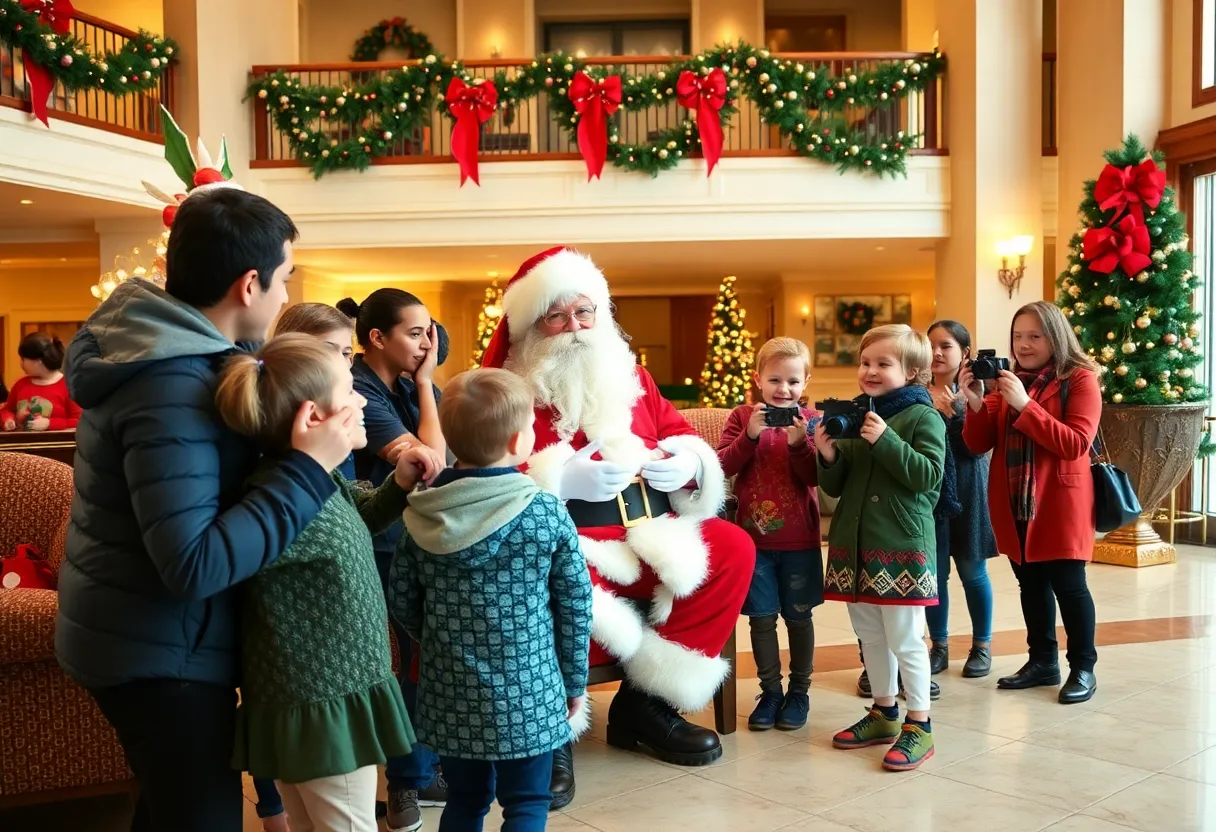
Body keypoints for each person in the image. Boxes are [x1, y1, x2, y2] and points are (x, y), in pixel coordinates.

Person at [55, 189, 356, 832]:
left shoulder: (171, 359)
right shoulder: (174, 385)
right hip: (159, 656)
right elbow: (193, 563)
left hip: (142, 636)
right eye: (285, 279)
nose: (284, 298)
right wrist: (309, 468)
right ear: (250, 284)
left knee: (170, 808)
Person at [479, 247, 755, 806]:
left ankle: (645, 704)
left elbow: (679, 430)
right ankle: (552, 729)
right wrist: (556, 479)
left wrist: (687, 459)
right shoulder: (504, 390)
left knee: (732, 547)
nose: (574, 328)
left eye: (585, 312)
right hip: (565, 546)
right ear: (531, 326)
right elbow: (482, 473)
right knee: (539, 579)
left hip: (649, 535)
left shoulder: (633, 376)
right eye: (557, 316)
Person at [215, 334, 443, 832]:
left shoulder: (308, 478)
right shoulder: (283, 494)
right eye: (349, 391)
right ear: (312, 418)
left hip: (325, 695)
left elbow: (356, 517)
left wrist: (398, 484)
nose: (363, 399)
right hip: (321, 703)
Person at [390, 368, 593, 832]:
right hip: (532, 692)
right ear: (521, 439)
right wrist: (574, 681)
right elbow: (576, 605)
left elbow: (401, 598)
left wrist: (440, 639)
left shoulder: (420, 516)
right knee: (526, 803)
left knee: (464, 801)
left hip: (450, 694)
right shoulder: (545, 513)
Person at [340, 289, 449, 831]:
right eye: (414, 334)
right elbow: (430, 462)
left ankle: (420, 768)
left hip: (408, 537)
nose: (427, 345)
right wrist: (427, 384)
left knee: (420, 654)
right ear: (376, 338)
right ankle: (406, 782)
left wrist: (424, 375)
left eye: (430, 333)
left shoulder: (400, 382)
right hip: (376, 541)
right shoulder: (362, 388)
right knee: (407, 657)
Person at [816, 324, 945, 772]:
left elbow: (929, 477)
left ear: (911, 372)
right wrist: (829, 455)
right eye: (865, 362)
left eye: (883, 364)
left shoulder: (923, 417)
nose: (870, 371)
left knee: (907, 640)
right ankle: (884, 711)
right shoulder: (858, 414)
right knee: (870, 634)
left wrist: (885, 439)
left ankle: (919, 723)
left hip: (901, 545)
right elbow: (835, 487)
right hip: (857, 545)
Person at [961, 300, 1101, 704]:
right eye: (1018, 336)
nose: (1023, 345)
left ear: (1055, 337)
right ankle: (1042, 662)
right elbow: (978, 443)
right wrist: (974, 401)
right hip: (1013, 500)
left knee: (1071, 587)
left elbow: (1075, 444)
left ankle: (1083, 668)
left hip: (1060, 501)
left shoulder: (1081, 379)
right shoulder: (1008, 381)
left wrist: (1025, 404)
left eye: (1034, 336)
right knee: (1030, 584)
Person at [716, 337, 822, 732]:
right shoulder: (743, 417)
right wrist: (751, 437)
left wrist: (800, 444)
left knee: (798, 616)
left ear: (805, 381)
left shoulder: (811, 421)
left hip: (800, 541)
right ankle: (771, 691)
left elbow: (816, 477)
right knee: (760, 619)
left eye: (793, 381)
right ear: (758, 379)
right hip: (753, 543)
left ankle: (799, 691)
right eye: (775, 379)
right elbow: (721, 465)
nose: (784, 389)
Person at [925, 320, 999, 678]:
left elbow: (976, 447)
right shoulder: (917, 391)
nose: (937, 353)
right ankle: (938, 646)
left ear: (965, 353)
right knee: (934, 576)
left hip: (970, 487)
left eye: (946, 346)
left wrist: (954, 414)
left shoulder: (980, 392)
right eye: (931, 346)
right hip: (929, 493)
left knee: (973, 570)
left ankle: (981, 646)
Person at [1, 331, 81, 431]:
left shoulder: (69, 386)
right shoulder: (20, 385)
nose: (21, 364)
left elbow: (79, 421)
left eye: (23, 359)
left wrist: (49, 424)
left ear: (37, 361)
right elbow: (7, 409)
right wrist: (8, 419)